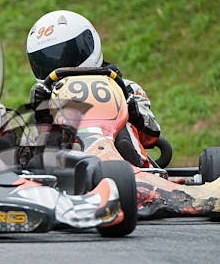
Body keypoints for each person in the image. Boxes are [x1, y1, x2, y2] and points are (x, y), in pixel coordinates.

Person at [25, 9, 161, 167]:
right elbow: (30, 147)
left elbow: (151, 135)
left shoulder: (126, 88)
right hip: (68, 168)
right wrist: (42, 115)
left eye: (67, 53)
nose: (59, 64)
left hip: (125, 163)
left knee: (125, 131)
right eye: (46, 60)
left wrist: (131, 108)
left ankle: (134, 167)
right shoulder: (46, 95)